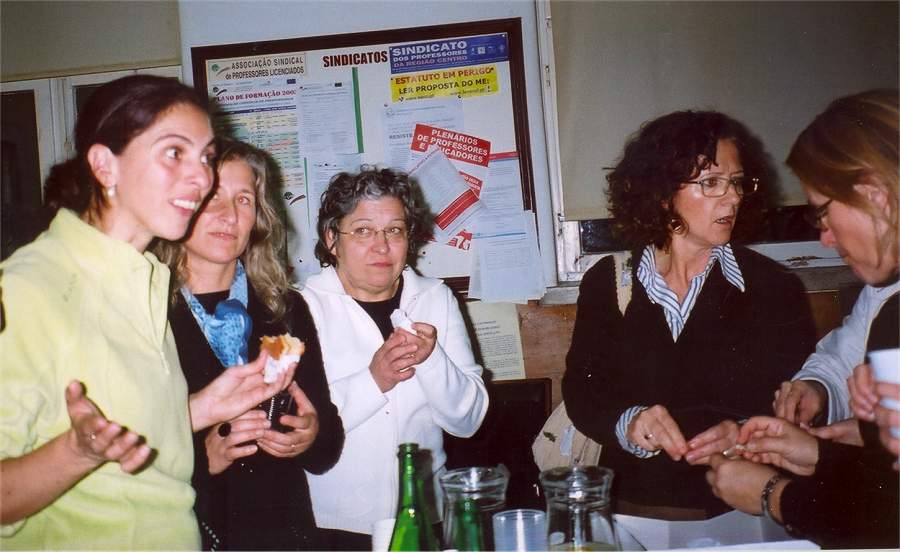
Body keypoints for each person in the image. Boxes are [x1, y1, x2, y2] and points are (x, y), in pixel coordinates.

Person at [0, 76, 295, 549]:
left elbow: (141, 448)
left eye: (205, 157)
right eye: (174, 152)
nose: (201, 178)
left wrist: (200, 408)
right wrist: (76, 452)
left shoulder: (148, 281)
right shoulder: (28, 287)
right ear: (105, 165)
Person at [562, 110, 817, 517]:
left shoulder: (773, 286)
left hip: (739, 508)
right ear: (662, 193)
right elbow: (583, 389)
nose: (733, 198)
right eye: (711, 183)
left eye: (736, 182)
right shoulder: (609, 282)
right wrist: (630, 422)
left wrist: (742, 433)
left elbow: (794, 402)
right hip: (633, 507)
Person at [706, 89, 899, 549]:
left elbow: (887, 516)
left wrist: (774, 496)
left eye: (825, 215)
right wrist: (818, 449)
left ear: (874, 194)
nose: (826, 239)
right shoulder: (887, 298)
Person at [155, 139, 344, 550]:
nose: (229, 215)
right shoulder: (148, 314)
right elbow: (127, 453)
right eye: (212, 197)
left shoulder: (284, 309)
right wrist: (201, 461)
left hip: (283, 537)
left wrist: (311, 435)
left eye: (244, 199)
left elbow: (327, 446)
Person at [300, 167, 489, 549]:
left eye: (395, 230)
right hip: (331, 527)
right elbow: (300, 424)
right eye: (363, 231)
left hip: (425, 518)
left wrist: (432, 360)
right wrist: (374, 380)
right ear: (332, 239)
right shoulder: (302, 306)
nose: (382, 246)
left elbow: (467, 421)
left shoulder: (435, 298)